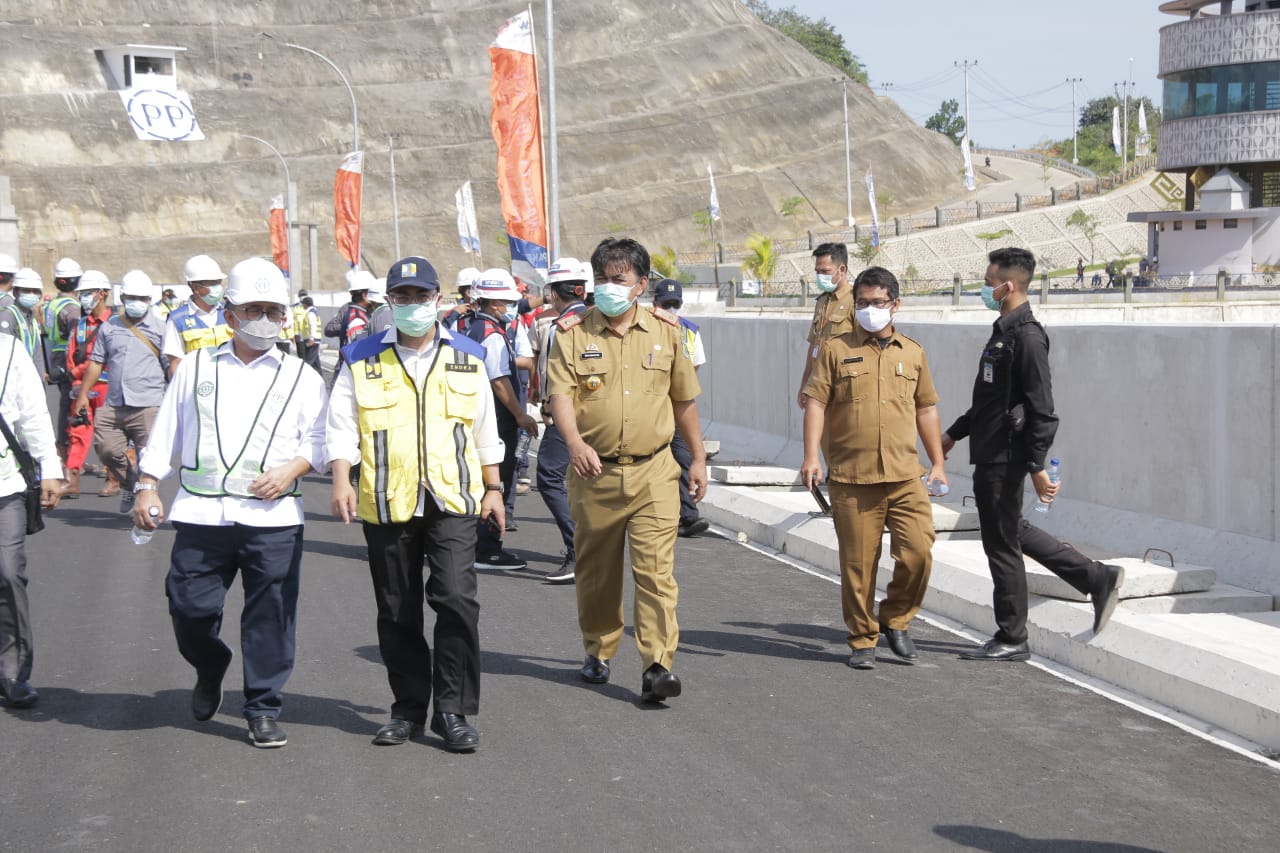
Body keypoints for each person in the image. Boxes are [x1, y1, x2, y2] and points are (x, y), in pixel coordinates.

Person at [133, 257, 327, 748]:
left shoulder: (301, 376)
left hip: (274, 518)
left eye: (272, 310)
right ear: (229, 314)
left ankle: (262, 706)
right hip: (201, 513)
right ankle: (210, 662)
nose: (264, 320)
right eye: (252, 309)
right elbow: (167, 432)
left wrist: (292, 470)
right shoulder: (196, 367)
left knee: (271, 616)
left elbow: (325, 439)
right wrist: (148, 482)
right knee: (189, 607)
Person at [326, 255, 504, 752]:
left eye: (421, 296)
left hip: (452, 496)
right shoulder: (362, 356)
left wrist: (494, 488)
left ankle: (453, 710)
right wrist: (341, 479)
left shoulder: (468, 354)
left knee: (456, 601)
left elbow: (484, 429)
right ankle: (407, 710)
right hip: (387, 497)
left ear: (438, 300)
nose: (412, 305)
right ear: (389, 301)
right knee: (397, 609)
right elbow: (341, 424)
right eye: (401, 297)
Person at [942, 248, 1124, 662]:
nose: (985, 290)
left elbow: (1042, 408)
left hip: (1006, 455)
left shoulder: (1026, 337)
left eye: (989, 284)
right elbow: (990, 401)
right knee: (1011, 529)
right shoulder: (1004, 332)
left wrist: (1036, 465)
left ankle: (1012, 636)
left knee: (1001, 543)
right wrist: (953, 434)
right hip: (990, 449)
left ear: (1009, 285)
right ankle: (1096, 577)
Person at [546, 237, 706, 703]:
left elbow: (684, 401)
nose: (609, 288)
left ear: (640, 284)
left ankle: (658, 664)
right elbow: (560, 397)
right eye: (602, 279)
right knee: (597, 574)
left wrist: (696, 458)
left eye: (619, 279)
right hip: (594, 473)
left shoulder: (667, 331)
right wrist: (574, 443)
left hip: (654, 471)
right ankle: (599, 648)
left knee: (656, 572)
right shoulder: (572, 333)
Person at [800, 267, 946, 669]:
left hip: (904, 475)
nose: (868, 310)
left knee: (918, 552)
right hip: (852, 477)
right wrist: (812, 455)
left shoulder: (913, 352)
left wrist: (937, 462)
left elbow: (927, 407)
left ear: (895, 305)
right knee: (858, 565)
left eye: (877, 303)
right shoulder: (835, 350)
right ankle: (862, 638)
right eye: (861, 303)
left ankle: (895, 618)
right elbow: (816, 403)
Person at [0, 333, 64, 709]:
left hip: (5, 486)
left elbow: (32, 412)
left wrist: (50, 468)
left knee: (7, 572)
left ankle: (12, 672)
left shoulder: (8, 350)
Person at [73, 270, 167, 514]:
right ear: (123, 298)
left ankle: (147, 509)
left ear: (149, 299)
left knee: (149, 459)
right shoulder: (109, 327)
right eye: (131, 297)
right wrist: (84, 394)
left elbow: (171, 366)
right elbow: (96, 362)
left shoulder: (161, 328)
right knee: (106, 449)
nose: (136, 302)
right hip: (114, 404)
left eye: (142, 298)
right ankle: (132, 484)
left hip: (149, 403)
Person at [466, 269, 539, 572]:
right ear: (494, 303)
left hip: (482, 416)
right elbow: (499, 381)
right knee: (498, 482)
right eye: (508, 302)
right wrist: (521, 415)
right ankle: (489, 548)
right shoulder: (493, 335)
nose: (511, 307)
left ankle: (477, 543)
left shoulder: (474, 329)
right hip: (497, 419)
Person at [531, 257, 591, 584]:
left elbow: (556, 378)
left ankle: (579, 550)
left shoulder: (561, 328)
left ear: (554, 293)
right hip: (599, 414)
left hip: (570, 415)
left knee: (549, 475)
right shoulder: (596, 319)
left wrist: (550, 411)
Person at [652, 278, 710, 538]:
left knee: (684, 458)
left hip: (673, 405)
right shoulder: (646, 326)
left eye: (675, 304)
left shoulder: (689, 329)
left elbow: (693, 369)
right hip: (649, 405)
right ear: (656, 303)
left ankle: (688, 516)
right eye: (667, 304)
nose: (671, 309)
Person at [61, 270, 113, 499]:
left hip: (106, 387)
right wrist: (75, 374)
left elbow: (107, 358)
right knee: (77, 432)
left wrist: (78, 370)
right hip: (81, 388)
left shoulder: (114, 324)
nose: (83, 298)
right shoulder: (80, 325)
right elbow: (71, 353)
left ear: (102, 294)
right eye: (82, 293)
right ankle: (72, 480)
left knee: (109, 437)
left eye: (87, 293)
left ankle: (114, 477)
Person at [797, 243, 854, 412]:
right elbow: (814, 346)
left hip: (843, 387)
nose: (820, 276)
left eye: (825, 271)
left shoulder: (856, 301)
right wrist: (805, 384)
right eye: (817, 272)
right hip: (819, 386)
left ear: (841, 269)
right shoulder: (822, 302)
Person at [163, 254, 231, 379]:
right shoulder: (177, 320)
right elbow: (176, 363)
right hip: (196, 388)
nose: (217, 288)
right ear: (195, 287)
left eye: (218, 282)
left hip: (229, 383)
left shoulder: (229, 312)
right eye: (211, 284)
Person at [45, 258, 82, 471]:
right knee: (72, 406)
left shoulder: (52, 304)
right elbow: (77, 337)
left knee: (64, 405)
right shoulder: (72, 308)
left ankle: (65, 451)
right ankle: (69, 455)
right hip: (69, 361)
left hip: (54, 358)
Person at [2, 268, 44, 362]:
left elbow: (37, 351)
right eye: (26, 290)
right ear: (16, 292)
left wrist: (40, 374)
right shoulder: (8, 316)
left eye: (35, 291)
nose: (32, 294)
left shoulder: (32, 318)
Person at [325, 270, 373, 347]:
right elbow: (329, 329)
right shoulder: (346, 309)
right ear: (365, 295)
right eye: (372, 293)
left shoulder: (373, 310)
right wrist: (348, 327)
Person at [292, 290, 322, 374]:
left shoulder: (311, 313)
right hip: (306, 338)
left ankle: (302, 374)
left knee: (308, 360)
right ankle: (320, 377)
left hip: (312, 339)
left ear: (305, 304)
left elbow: (313, 326)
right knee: (315, 361)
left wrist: (312, 338)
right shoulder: (299, 309)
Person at [441, 267, 480, 332]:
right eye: (479, 289)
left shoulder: (486, 313)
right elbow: (443, 334)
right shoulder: (453, 316)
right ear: (468, 292)